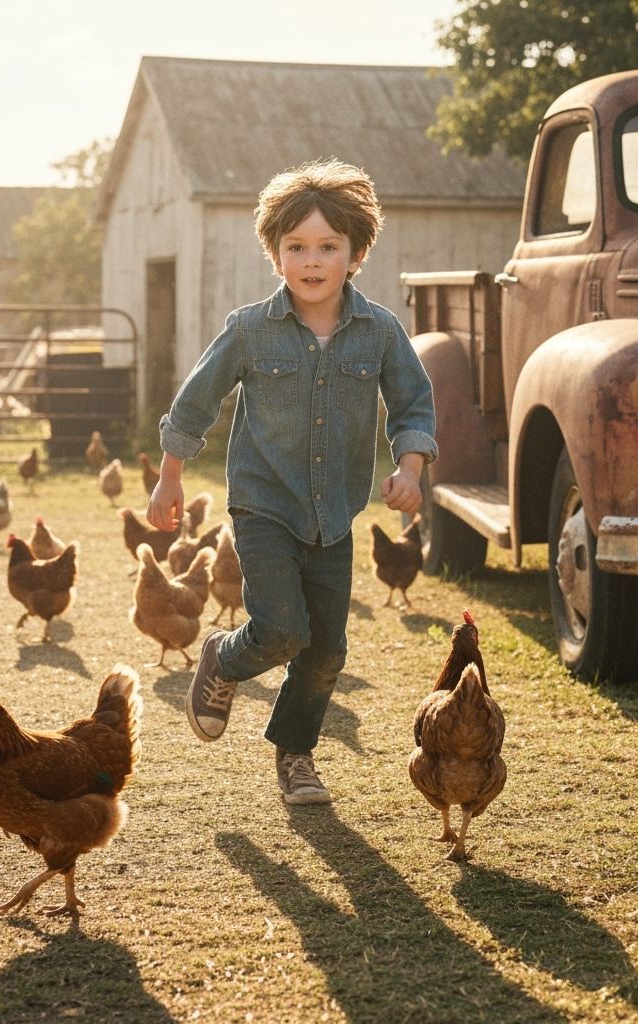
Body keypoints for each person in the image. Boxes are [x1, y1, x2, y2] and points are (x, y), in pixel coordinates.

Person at [146, 158, 437, 805]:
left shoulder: (380, 331)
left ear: (355, 253)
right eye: (296, 247)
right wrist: (169, 479)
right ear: (275, 255)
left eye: (327, 247)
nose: (311, 261)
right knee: (280, 630)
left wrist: (410, 466)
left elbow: (413, 402)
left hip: (334, 513)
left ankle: (295, 758)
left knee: (327, 650)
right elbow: (197, 402)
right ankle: (223, 658)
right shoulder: (250, 329)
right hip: (264, 505)